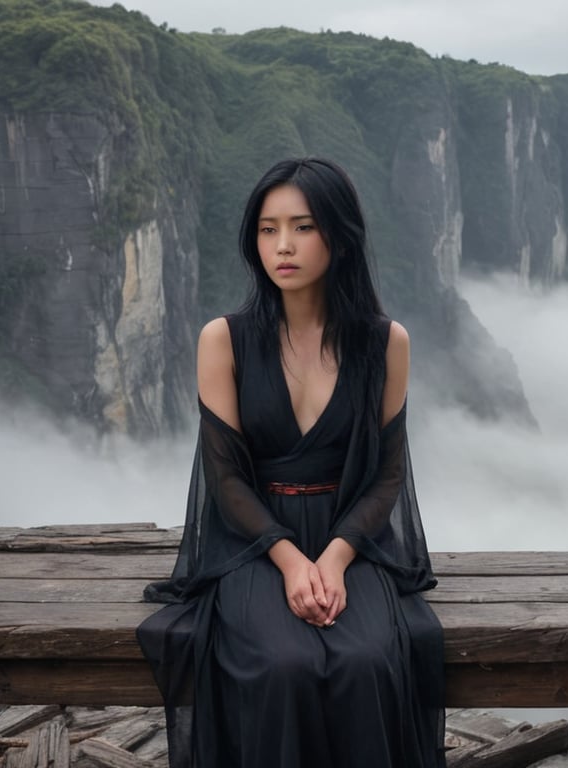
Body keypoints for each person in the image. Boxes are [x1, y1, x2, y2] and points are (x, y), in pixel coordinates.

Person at [137, 157, 445, 768]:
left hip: (351, 538)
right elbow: (224, 476)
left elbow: (387, 475)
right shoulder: (224, 339)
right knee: (282, 663)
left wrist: (333, 556)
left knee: (364, 662)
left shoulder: (386, 343)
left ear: (339, 234)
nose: (282, 246)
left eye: (302, 227)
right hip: (252, 539)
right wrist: (287, 557)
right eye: (267, 228)